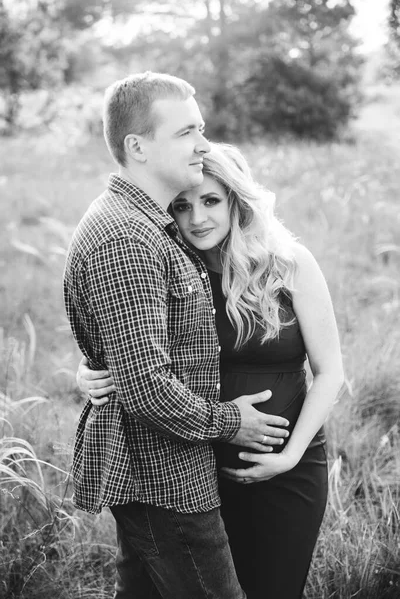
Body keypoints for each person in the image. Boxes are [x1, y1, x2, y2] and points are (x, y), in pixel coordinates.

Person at [78, 141, 344, 599]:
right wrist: (86, 371)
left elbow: (330, 372)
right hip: (199, 467)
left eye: (211, 201)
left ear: (235, 200)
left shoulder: (288, 263)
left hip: (286, 471)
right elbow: (132, 342)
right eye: (182, 206)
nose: (197, 218)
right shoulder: (174, 267)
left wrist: (290, 455)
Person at [63, 72, 292, 599]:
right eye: (187, 131)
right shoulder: (126, 238)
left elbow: (134, 348)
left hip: (174, 470)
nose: (203, 144)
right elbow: (149, 391)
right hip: (164, 481)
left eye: (202, 129)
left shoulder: (152, 225)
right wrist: (235, 421)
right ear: (137, 147)